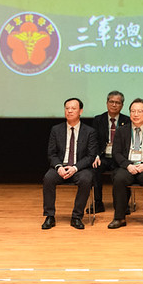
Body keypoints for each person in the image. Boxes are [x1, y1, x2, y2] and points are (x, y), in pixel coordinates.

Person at [41, 98, 98, 230]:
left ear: (80, 111)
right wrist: (59, 167)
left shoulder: (89, 131)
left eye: (73, 108)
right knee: (48, 178)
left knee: (86, 179)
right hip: (61, 166)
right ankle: (49, 216)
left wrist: (75, 168)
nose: (70, 111)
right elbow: (51, 154)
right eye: (67, 108)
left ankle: (76, 217)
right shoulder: (56, 129)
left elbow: (91, 156)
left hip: (80, 168)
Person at [108, 98, 143, 230]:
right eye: (133, 111)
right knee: (119, 178)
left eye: (139, 111)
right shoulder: (121, 131)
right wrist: (128, 165)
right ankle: (119, 217)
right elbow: (116, 153)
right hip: (127, 166)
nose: (136, 114)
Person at [90, 90, 129, 213]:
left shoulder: (127, 120)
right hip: (103, 156)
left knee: (123, 174)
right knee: (94, 169)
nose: (114, 105)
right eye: (111, 102)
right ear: (107, 103)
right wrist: (96, 155)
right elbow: (93, 140)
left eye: (117, 102)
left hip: (120, 157)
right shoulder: (98, 119)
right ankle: (97, 203)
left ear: (122, 105)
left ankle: (122, 204)